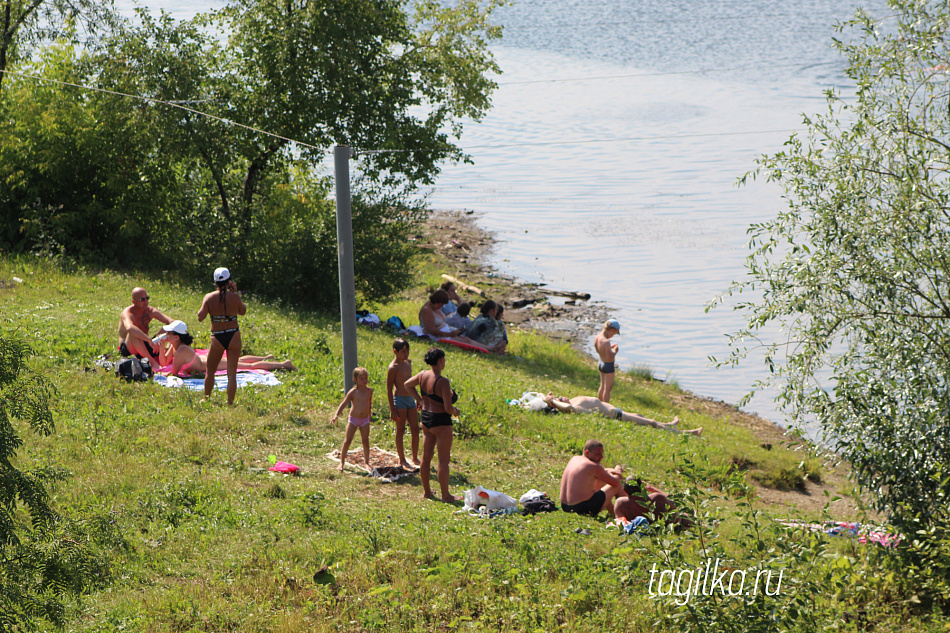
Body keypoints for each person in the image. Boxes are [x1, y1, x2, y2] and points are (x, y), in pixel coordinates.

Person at [403, 348, 460, 502]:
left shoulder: (422, 375)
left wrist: (420, 400)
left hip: (426, 418)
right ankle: (446, 495)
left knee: (426, 458)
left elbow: (407, 384)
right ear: (441, 360)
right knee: (443, 460)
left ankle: (427, 491)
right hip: (441, 421)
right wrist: (456, 411)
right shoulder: (443, 382)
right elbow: (448, 408)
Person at [155, 320, 297, 377]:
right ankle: (266, 358)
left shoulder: (180, 351)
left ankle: (284, 364)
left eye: (169, 333)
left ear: (177, 337)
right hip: (205, 360)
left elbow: (173, 373)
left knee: (249, 366)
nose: (166, 335)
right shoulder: (175, 346)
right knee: (239, 360)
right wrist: (162, 347)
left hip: (210, 363)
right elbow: (164, 363)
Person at [197, 267, 246, 405]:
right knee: (232, 374)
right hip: (233, 335)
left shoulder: (209, 297)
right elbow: (242, 311)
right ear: (229, 281)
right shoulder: (234, 297)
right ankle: (230, 403)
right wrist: (235, 293)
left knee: (210, 371)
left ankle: (206, 398)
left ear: (215, 282)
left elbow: (200, 317)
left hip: (217, 336)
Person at [542, 393, 702, 436]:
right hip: (616, 415)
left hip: (618, 411)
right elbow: (567, 409)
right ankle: (685, 433)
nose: (559, 397)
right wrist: (553, 401)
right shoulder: (574, 407)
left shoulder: (573, 401)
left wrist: (548, 397)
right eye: (558, 399)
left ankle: (669, 425)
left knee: (641, 415)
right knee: (651, 423)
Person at [559, 439, 627, 517]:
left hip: (565, 507)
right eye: (598, 454)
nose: (601, 457)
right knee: (617, 486)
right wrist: (618, 470)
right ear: (587, 452)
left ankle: (613, 513)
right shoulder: (594, 466)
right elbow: (616, 482)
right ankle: (626, 513)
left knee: (601, 479)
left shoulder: (575, 459)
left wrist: (607, 470)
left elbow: (596, 472)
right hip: (582, 509)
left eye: (602, 454)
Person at [387, 338, 421, 469]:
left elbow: (411, 383)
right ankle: (402, 459)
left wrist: (417, 398)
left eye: (407, 351)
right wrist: (392, 408)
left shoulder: (408, 363)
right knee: (400, 429)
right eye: (403, 351)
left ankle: (414, 457)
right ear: (395, 351)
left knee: (415, 429)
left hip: (410, 399)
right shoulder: (393, 368)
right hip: (399, 400)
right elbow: (389, 389)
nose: (406, 354)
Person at [332, 367, 373, 471]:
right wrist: (336, 414)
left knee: (365, 441)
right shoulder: (353, 392)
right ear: (355, 380)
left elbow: (369, 403)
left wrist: (369, 416)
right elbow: (344, 403)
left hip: (365, 420)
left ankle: (367, 462)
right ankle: (341, 463)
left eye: (366, 378)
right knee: (347, 441)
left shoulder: (369, 391)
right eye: (361, 379)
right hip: (353, 420)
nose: (364, 381)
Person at [418, 290, 489, 350]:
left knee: (466, 339)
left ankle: (489, 348)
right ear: (437, 301)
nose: (442, 306)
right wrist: (449, 334)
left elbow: (442, 319)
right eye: (442, 303)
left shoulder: (436, 307)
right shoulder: (427, 310)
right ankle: (487, 349)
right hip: (438, 335)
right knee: (463, 341)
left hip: (445, 330)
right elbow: (431, 330)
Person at [117, 287, 173, 362]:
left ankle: (166, 353)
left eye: (147, 298)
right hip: (130, 349)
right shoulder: (128, 313)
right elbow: (129, 328)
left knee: (172, 327)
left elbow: (172, 322)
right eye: (142, 299)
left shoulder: (150, 311)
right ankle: (152, 362)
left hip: (146, 346)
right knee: (133, 332)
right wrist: (148, 339)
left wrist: (157, 338)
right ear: (134, 302)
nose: (146, 301)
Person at [594, 319, 620, 402]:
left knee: (602, 386)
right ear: (612, 330)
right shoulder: (606, 342)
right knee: (607, 389)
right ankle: (606, 407)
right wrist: (615, 350)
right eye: (614, 334)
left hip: (601, 362)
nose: (612, 336)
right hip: (608, 366)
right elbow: (610, 357)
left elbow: (599, 350)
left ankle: (599, 404)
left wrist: (609, 348)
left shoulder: (597, 337)